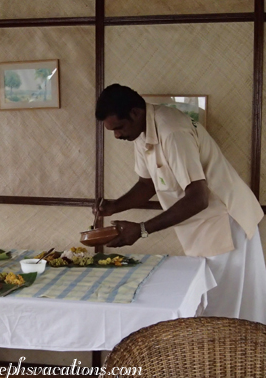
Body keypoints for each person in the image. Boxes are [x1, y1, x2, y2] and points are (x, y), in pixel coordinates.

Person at [95, 83, 266, 324]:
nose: (117, 135)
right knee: (211, 309)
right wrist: (114, 206)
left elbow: (198, 197)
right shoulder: (141, 131)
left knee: (225, 312)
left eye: (119, 128)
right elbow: (147, 184)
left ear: (135, 112)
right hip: (204, 227)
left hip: (226, 223)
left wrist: (142, 230)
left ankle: (239, 361)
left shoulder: (171, 130)